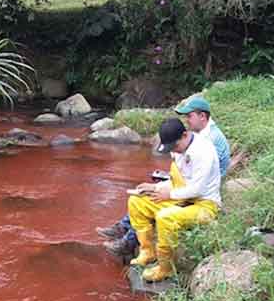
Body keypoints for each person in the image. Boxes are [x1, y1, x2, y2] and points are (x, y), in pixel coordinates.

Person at [99, 95, 230, 258]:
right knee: (140, 200)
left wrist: (169, 192)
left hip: (202, 196)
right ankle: (129, 235)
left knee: (162, 213)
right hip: (189, 188)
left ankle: (131, 242)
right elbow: (184, 175)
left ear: (202, 116)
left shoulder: (206, 142)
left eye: (189, 116)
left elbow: (199, 184)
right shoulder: (191, 141)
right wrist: (157, 187)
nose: (187, 121)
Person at [127, 118, 221, 282]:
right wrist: (155, 188)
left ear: (185, 135)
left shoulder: (203, 152)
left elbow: (197, 188)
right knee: (136, 201)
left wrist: (168, 195)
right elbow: (177, 180)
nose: (174, 151)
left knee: (165, 217)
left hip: (204, 205)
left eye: (175, 146)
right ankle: (147, 251)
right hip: (182, 197)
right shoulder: (179, 150)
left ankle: (166, 267)